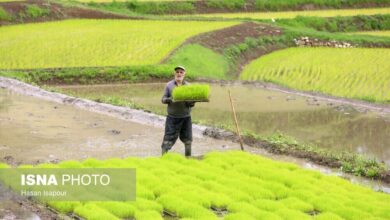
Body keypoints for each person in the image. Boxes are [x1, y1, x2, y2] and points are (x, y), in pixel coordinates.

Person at [161, 66, 195, 156]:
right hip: (172, 118)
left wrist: (191, 102)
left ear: (184, 74)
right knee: (167, 140)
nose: (179, 74)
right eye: (177, 72)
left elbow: (191, 104)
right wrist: (170, 99)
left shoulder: (188, 86)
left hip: (186, 118)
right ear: (174, 73)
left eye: (181, 72)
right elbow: (163, 99)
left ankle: (188, 159)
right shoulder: (169, 85)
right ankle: (163, 159)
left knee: (188, 140)